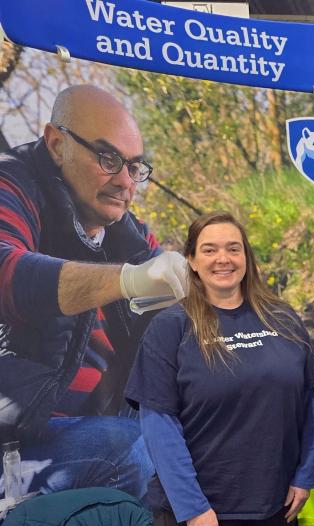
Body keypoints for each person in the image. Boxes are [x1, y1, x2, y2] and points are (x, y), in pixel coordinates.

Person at [0, 84, 189, 500]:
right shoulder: (11, 182)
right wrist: (127, 280)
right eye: (108, 158)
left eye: (134, 166)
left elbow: (184, 339)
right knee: (133, 448)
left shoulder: (133, 235)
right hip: (14, 444)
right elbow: (6, 272)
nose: (125, 181)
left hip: (109, 426)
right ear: (56, 144)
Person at [125, 212, 314, 526]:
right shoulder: (172, 327)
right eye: (209, 250)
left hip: (274, 504)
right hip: (204, 511)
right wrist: (193, 507)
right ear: (193, 262)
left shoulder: (282, 318)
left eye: (233, 248)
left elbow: (309, 399)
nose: (223, 259)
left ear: (246, 257)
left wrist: (304, 474)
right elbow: (159, 423)